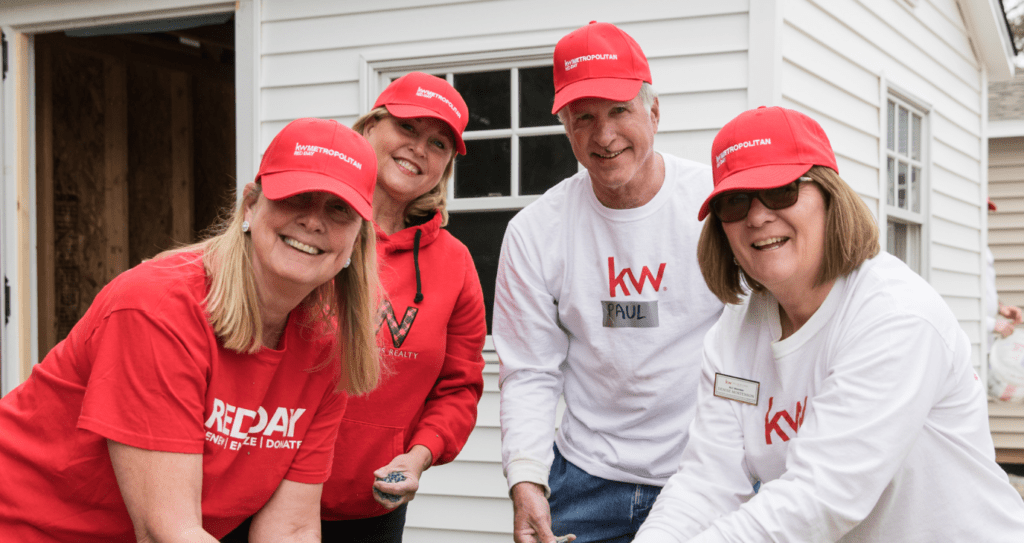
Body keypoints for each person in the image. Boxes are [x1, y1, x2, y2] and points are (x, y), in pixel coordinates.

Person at [633, 106, 1024, 542]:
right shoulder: (734, 334)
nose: (757, 216)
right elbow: (708, 481)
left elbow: (821, 497)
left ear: (829, 195)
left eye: (780, 190)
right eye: (735, 201)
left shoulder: (894, 315)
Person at [0, 117, 382, 542]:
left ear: (357, 241)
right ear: (251, 206)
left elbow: (290, 529)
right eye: (296, 197)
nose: (314, 221)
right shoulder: (157, 308)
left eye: (339, 209)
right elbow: (167, 532)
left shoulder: (325, 350)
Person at [493, 21, 724, 543]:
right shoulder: (534, 232)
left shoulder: (716, 207)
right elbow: (529, 370)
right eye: (584, 118)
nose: (604, 135)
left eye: (620, 111)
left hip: (703, 473)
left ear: (654, 112)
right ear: (566, 128)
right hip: (585, 479)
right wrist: (526, 478)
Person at [318, 72, 486, 540]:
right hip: (268, 492)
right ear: (370, 126)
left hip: (374, 508)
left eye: (438, 144)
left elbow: (458, 388)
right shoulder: (311, 228)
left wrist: (417, 455)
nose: (418, 148)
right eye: (407, 128)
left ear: (447, 165)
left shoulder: (454, 265)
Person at [985, 200, 1023, 343]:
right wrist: (991, 324)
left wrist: (1000, 308)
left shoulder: (983, 247)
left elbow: (983, 291)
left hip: (984, 342)